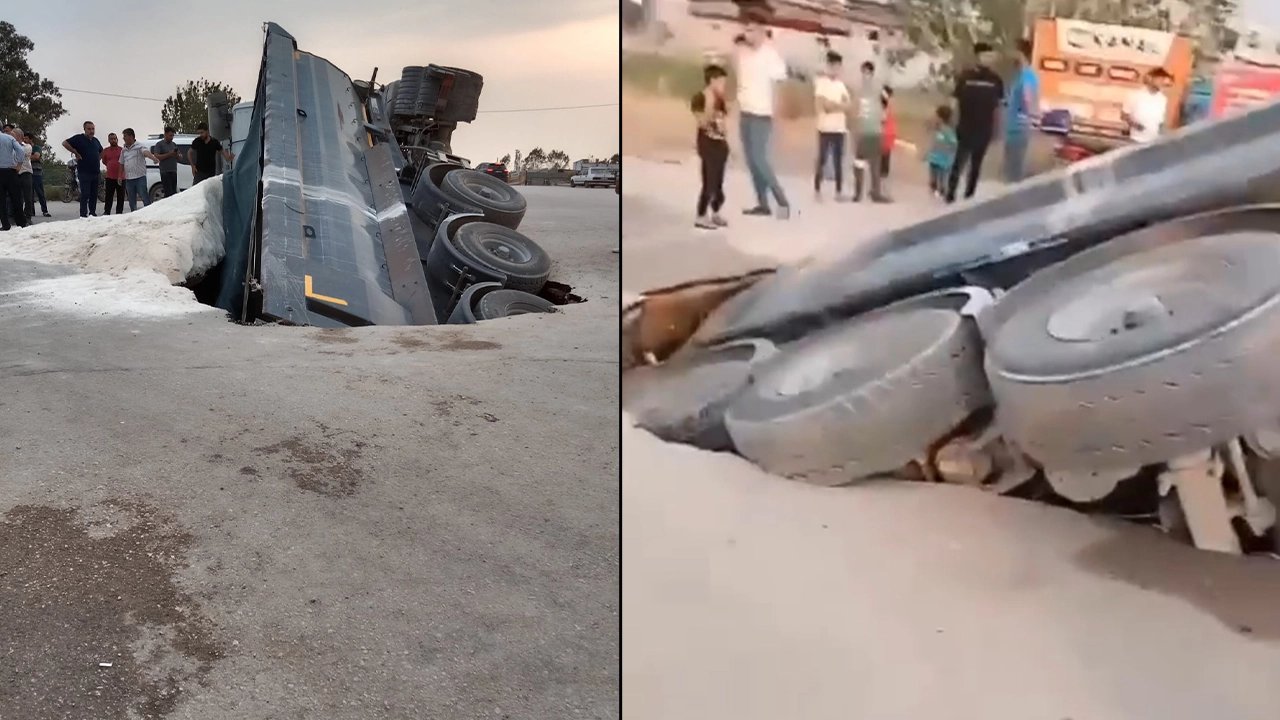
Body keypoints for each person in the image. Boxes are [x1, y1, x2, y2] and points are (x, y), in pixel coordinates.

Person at [735, 16, 791, 219]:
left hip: (762, 114)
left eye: (751, 30)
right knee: (751, 161)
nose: (747, 34)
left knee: (760, 159)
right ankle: (762, 204)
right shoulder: (743, 54)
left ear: (760, 32)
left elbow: (780, 83)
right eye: (746, 30)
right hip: (745, 112)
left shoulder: (770, 55)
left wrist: (779, 111)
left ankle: (782, 201)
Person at [947, 42, 1005, 204]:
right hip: (965, 126)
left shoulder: (996, 80)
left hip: (985, 129)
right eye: (986, 56)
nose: (990, 59)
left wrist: (997, 129)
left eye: (991, 56)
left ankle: (969, 196)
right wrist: (951, 122)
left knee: (976, 165)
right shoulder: (965, 77)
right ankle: (950, 194)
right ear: (978, 57)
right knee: (959, 162)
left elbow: (999, 107)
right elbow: (953, 100)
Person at [692, 64, 730, 229]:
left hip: (720, 143)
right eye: (721, 82)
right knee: (709, 181)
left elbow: (722, 121)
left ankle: (715, 213)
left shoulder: (720, 99)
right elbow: (702, 122)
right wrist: (710, 103)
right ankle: (701, 215)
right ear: (712, 80)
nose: (723, 86)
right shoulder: (700, 97)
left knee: (719, 183)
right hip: (706, 143)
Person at [812, 50, 850, 201]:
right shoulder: (821, 83)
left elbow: (849, 105)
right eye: (833, 66)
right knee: (821, 159)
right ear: (828, 66)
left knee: (838, 160)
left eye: (838, 67)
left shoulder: (841, 85)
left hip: (839, 128)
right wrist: (839, 106)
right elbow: (821, 106)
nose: (836, 70)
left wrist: (834, 106)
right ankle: (817, 188)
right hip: (825, 128)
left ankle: (838, 191)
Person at [852, 61, 889, 203]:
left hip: (874, 130)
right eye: (863, 72)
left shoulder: (878, 88)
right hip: (862, 130)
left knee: (875, 163)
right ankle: (858, 193)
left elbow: (887, 100)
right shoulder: (858, 89)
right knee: (859, 162)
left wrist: (883, 115)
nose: (865, 76)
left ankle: (876, 192)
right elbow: (854, 107)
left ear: (872, 74)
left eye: (868, 73)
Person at [1003, 38, 1039, 184]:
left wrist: (1029, 117)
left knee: (1014, 169)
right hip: (1013, 126)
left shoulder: (1027, 75)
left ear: (1020, 53)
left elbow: (1028, 99)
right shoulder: (1019, 75)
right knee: (1010, 167)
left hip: (1019, 126)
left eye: (1014, 51)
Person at [62, 121, 104, 217]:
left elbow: (102, 151)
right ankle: (83, 215)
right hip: (84, 172)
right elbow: (64, 143)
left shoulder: (96, 141)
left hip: (95, 172)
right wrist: (75, 152)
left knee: (94, 194)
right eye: (89, 129)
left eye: (93, 129)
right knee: (85, 194)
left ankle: (92, 213)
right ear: (84, 129)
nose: (91, 131)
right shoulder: (79, 138)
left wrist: (98, 159)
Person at [1123, 68, 1173, 144]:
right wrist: (1136, 126)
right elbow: (1124, 115)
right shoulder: (1135, 95)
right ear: (1150, 79)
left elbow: (1160, 122)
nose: (1161, 82)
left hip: (1154, 140)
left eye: (1163, 79)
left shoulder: (1163, 99)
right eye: (1159, 79)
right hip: (1135, 139)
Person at [119, 128, 159, 211]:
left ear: (131, 136)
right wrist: (120, 176)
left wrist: (153, 158)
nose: (123, 138)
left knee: (144, 196)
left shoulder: (139, 146)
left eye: (125, 136)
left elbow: (146, 152)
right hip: (129, 179)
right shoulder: (124, 150)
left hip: (140, 177)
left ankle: (149, 212)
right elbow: (121, 163)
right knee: (131, 200)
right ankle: (134, 214)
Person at [927, 105, 958, 198]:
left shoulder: (948, 130)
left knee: (941, 175)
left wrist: (950, 153)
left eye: (936, 116)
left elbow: (954, 143)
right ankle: (935, 187)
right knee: (934, 174)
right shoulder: (937, 128)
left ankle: (941, 189)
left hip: (943, 158)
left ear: (941, 118)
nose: (934, 118)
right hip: (934, 157)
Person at [0, 129, 28, 230]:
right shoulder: (9, 138)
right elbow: (20, 150)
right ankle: (21, 222)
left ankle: (5, 224)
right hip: (11, 171)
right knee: (16, 198)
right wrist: (19, 165)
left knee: (1, 201)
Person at [10, 127, 33, 223]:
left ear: (19, 136)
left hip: (25, 173)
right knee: (15, 196)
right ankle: (16, 216)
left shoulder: (27, 146)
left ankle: (28, 216)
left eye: (13, 135)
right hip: (15, 173)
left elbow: (20, 155)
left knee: (27, 196)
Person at [150, 126, 181, 198]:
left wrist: (177, 155)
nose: (172, 137)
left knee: (173, 192)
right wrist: (169, 154)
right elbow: (157, 156)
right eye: (170, 135)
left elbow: (179, 157)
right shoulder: (160, 144)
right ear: (165, 134)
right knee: (168, 192)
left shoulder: (173, 144)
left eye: (173, 135)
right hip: (165, 171)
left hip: (173, 170)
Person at [100, 132, 125, 215]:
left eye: (115, 138)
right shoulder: (105, 150)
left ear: (117, 139)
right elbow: (104, 161)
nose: (113, 140)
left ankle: (119, 213)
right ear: (109, 140)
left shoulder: (122, 150)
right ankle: (107, 212)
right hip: (110, 177)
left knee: (120, 196)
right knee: (108, 196)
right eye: (111, 139)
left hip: (121, 177)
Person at [27, 133, 50, 218]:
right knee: (29, 194)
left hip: (36, 172)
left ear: (30, 139)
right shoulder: (24, 147)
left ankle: (45, 211)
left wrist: (27, 156)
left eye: (26, 138)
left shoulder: (37, 148)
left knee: (40, 192)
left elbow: (36, 156)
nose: (24, 140)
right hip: (28, 172)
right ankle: (31, 212)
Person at [880, 86, 897, 179]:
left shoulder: (887, 104)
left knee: (884, 152)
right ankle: (884, 171)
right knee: (886, 152)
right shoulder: (891, 103)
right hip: (890, 131)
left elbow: (883, 118)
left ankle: (883, 171)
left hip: (886, 131)